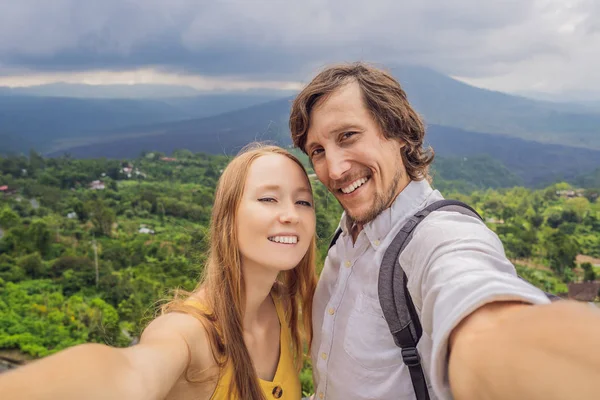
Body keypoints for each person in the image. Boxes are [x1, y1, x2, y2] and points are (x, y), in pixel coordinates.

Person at [289, 62, 600, 400]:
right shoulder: (346, 235)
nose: (333, 170)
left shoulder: (438, 236)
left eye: (348, 136)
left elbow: (479, 310)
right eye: (317, 151)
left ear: (399, 132)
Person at [0, 143, 318, 400]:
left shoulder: (285, 307)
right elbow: (128, 373)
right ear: (228, 218)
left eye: (303, 202)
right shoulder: (190, 332)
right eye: (268, 199)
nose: (291, 214)